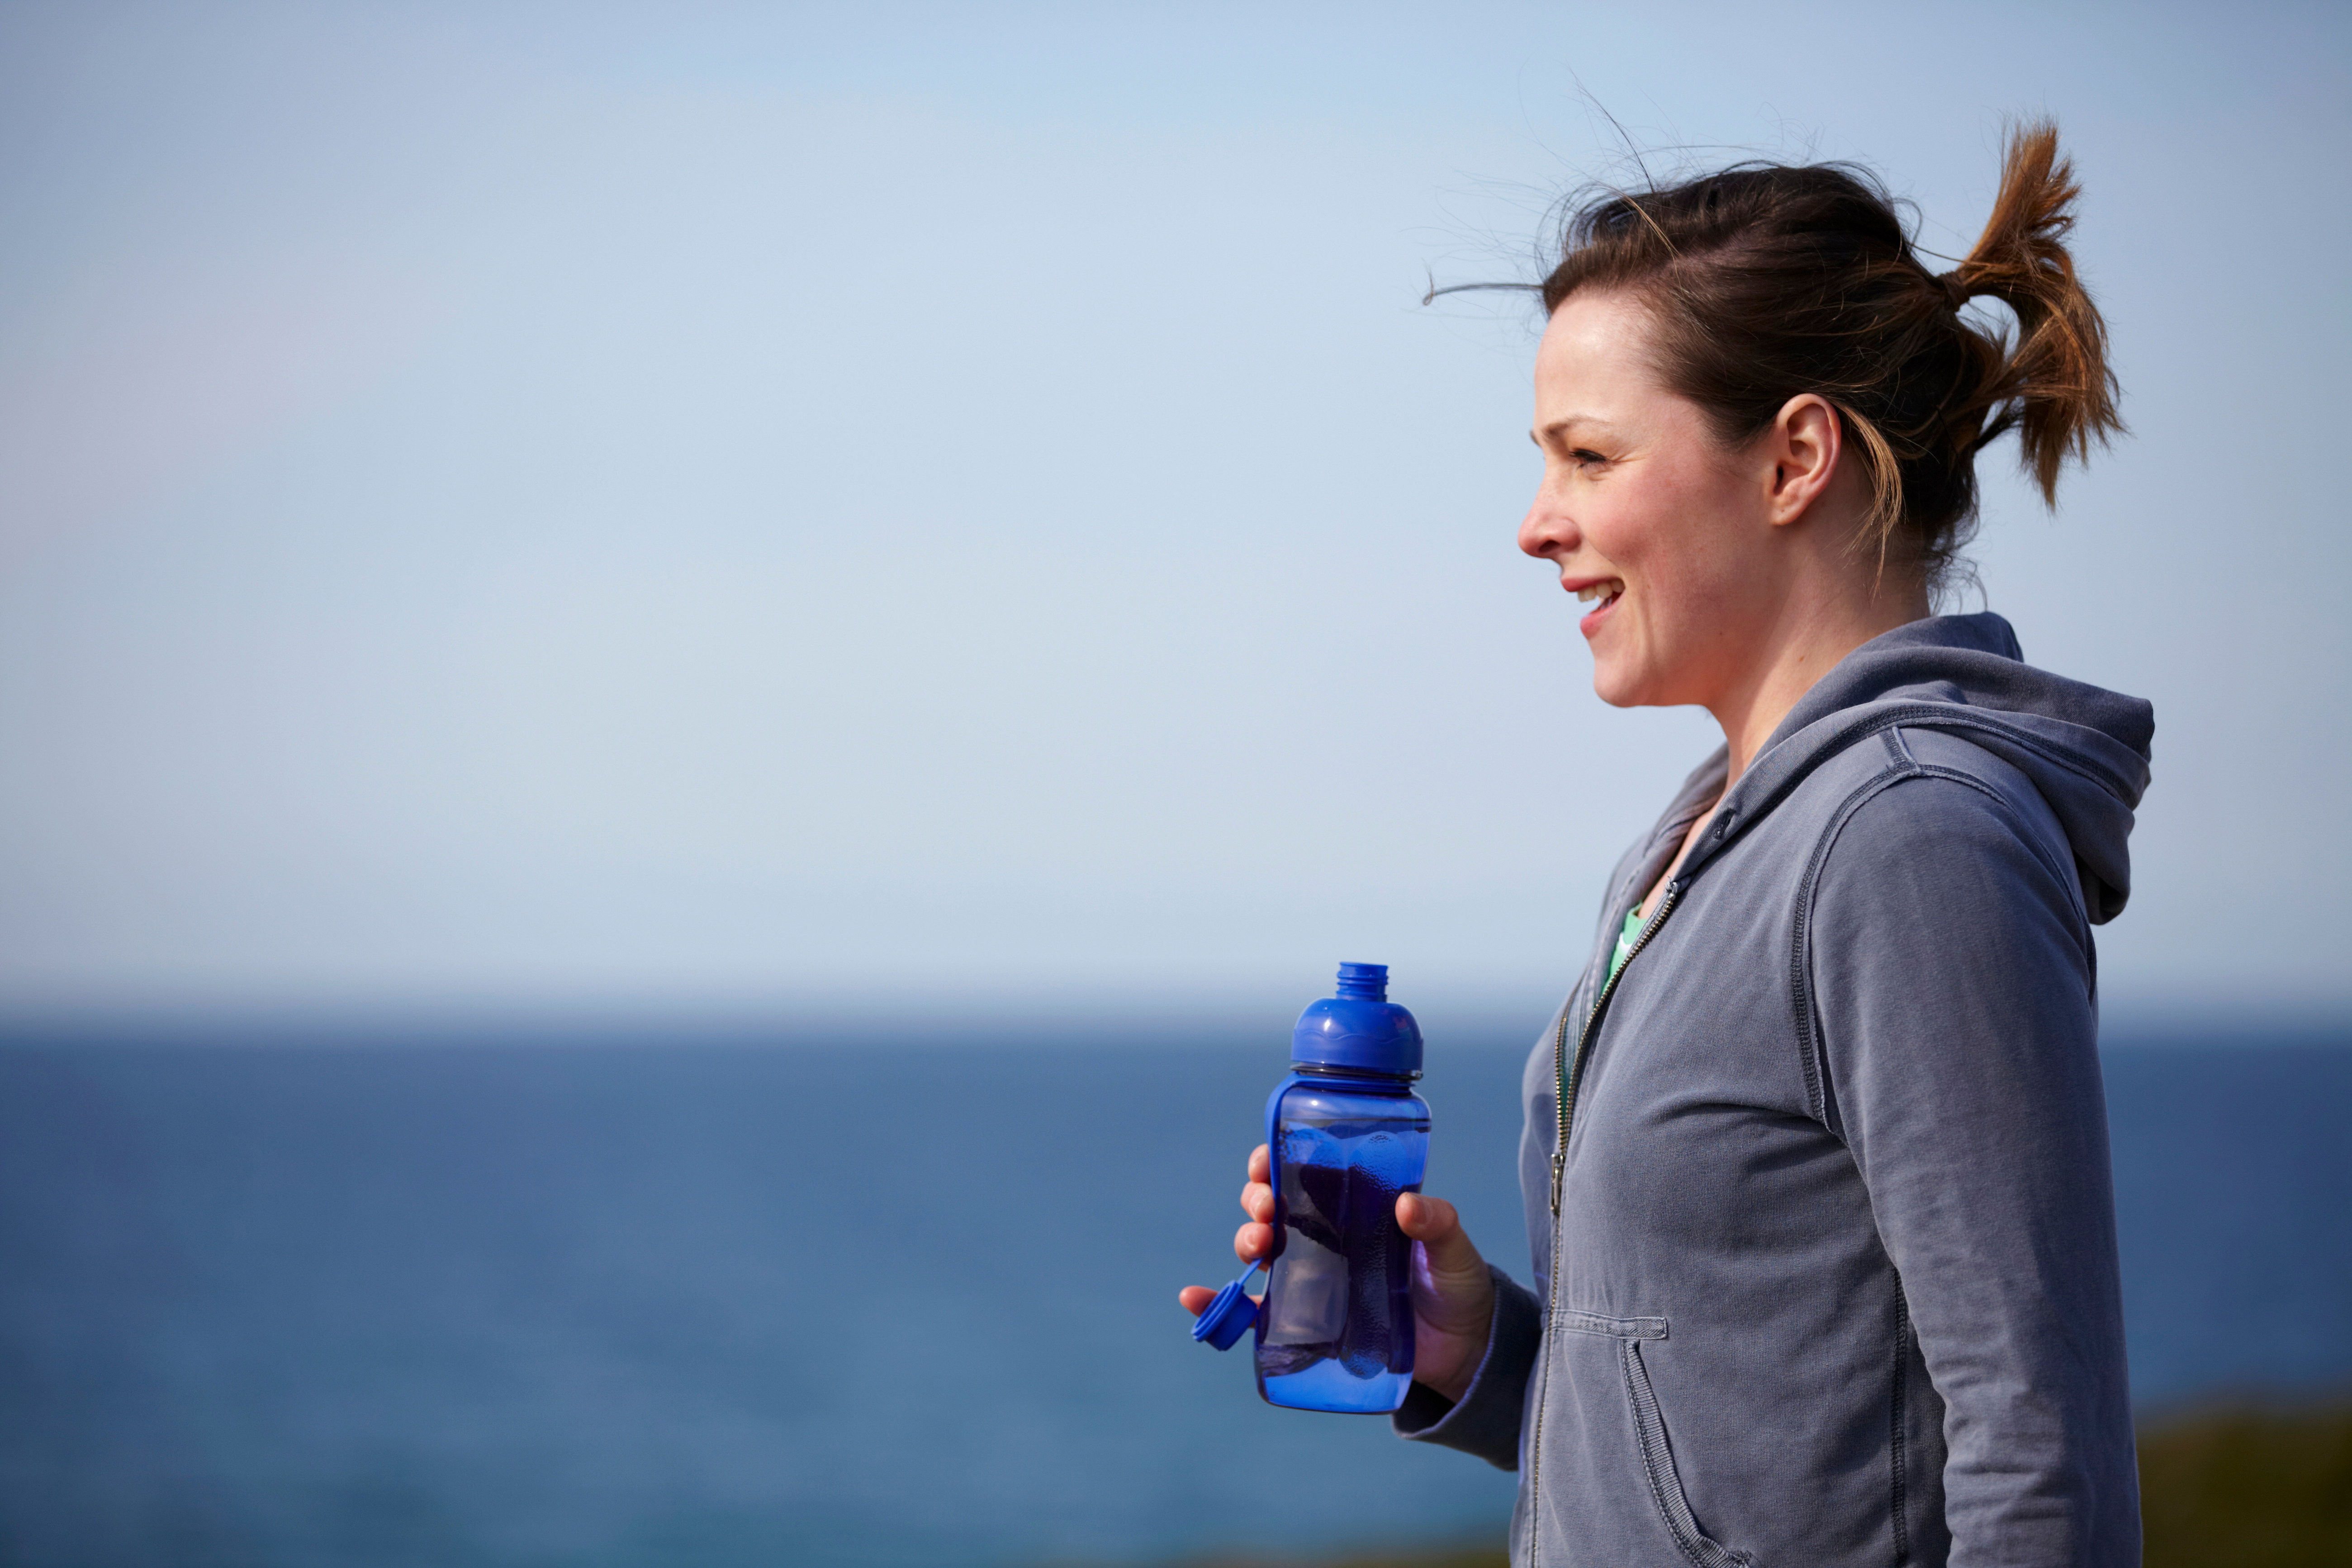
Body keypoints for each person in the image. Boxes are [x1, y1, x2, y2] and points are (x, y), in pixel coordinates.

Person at [1182, 122, 2151, 1568]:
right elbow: (1738, 1443)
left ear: (1795, 459)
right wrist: (1481, 1341)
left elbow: (2039, 1456)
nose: (1534, 524)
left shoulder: (1910, 843)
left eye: (1591, 455)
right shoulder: (1696, 844)